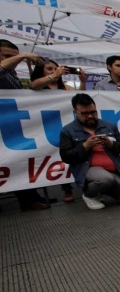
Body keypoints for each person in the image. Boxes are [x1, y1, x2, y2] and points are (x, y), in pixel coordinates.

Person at [0, 39, 51, 210]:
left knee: (20, 161)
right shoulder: (4, 70)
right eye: (7, 56)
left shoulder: (12, 74)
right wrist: (23, 55)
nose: (14, 61)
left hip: (13, 127)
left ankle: (30, 198)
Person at [59, 94, 120, 210]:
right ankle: (89, 195)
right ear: (75, 112)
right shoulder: (67, 131)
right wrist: (85, 146)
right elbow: (66, 157)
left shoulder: (109, 126)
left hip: (114, 171)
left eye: (93, 112)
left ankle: (104, 189)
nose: (90, 116)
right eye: (84, 114)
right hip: (90, 170)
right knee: (105, 179)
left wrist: (110, 144)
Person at [30, 59, 87, 203]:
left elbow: (80, 98)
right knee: (56, 157)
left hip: (68, 127)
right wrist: (54, 76)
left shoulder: (65, 88)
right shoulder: (39, 87)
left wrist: (83, 82)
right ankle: (66, 190)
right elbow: (33, 85)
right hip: (47, 127)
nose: (54, 71)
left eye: (56, 69)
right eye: (49, 69)